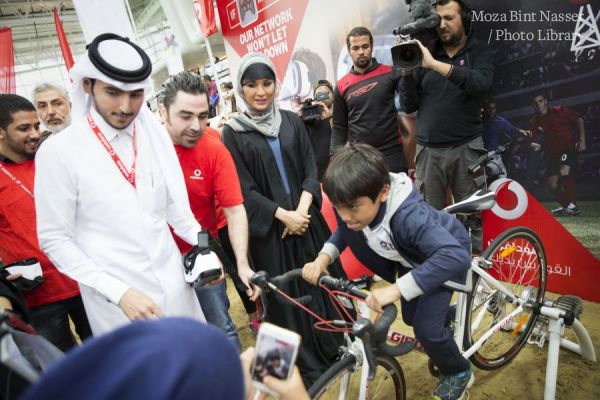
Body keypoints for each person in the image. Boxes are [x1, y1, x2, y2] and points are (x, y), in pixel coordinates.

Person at [34, 33, 206, 335]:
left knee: (196, 373)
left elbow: (175, 209)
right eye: (113, 92)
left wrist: (204, 248)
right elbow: (55, 239)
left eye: (136, 94)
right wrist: (119, 292)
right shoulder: (59, 152)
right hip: (118, 306)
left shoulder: (152, 136)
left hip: (178, 292)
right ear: (88, 85)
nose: (126, 106)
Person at [303, 144, 473, 400]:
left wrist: (394, 289)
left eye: (352, 207)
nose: (346, 216)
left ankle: (459, 371)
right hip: (410, 258)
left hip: (443, 256)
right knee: (412, 317)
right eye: (339, 207)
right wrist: (322, 258)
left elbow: (454, 257)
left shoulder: (408, 216)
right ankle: (445, 318)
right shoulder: (353, 204)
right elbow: (344, 231)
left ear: (383, 192)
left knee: (426, 330)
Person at [222, 52, 348, 385]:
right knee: (281, 302)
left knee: (324, 287)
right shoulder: (233, 133)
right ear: (241, 89)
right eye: (252, 85)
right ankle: (285, 377)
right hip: (271, 235)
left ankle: (338, 350)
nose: (261, 91)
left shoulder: (291, 121)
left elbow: (310, 168)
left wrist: (302, 212)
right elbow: (243, 190)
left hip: (307, 224)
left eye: (266, 83)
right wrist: (283, 217)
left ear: (276, 85)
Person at [159, 71, 261, 349]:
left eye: (203, 116)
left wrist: (241, 262)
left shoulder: (214, 149)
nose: (196, 125)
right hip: (158, 260)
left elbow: (234, 209)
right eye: (185, 116)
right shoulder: (145, 150)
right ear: (162, 112)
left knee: (221, 328)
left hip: (202, 253)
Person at [398, 0, 494, 254]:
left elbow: (481, 83)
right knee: (429, 220)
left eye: (449, 17)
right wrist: (408, 68)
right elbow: (408, 105)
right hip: (429, 154)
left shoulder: (479, 52)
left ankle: (474, 285)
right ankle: (438, 279)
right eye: (438, 19)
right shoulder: (425, 53)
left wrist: (435, 65)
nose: (443, 25)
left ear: (465, 19)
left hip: (468, 149)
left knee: (471, 219)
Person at [0, 94, 92, 351]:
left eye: (36, 126)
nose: (34, 133)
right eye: (23, 128)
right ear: (1, 133)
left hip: (86, 280)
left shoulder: (54, 159)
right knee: (61, 369)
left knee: (110, 358)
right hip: (40, 298)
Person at [331, 26, 407, 173]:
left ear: (371, 47)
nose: (361, 52)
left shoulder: (390, 72)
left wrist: (406, 71)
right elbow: (339, 128)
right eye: (355, 48)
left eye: (365, 46)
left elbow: (410, 103)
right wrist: (335, 161)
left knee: (398, 196)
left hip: (393, 154)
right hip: (362, 159)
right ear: (349, 51)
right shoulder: (341, 86)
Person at [528, 92, 586, 216]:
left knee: (563, 171)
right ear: (532, 105)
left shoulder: (559, 111)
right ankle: (567, 206)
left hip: (568, 147)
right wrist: (535, 145)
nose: (538, 105)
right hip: (552, 154)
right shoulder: (534, 121)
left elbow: (579, 120)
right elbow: (535, 140)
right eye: (535, 103)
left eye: (540, 101)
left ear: (545, 101)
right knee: (552, 186)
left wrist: (582, 141)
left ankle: (573, 206)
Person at [481, 98, 530, 181]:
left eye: (493, 108)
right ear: (485, 109)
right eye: (489, 108)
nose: (491, 111)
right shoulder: (479, 123)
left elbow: (513, 129)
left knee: (503, 178)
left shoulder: (500, 121)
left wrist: (522, 132)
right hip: (481, 157)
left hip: (495, 156)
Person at [303, 79, 334, 181]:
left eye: (326, 93)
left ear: (333, 95)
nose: (323, 97)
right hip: (318, 175)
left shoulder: (342, 115)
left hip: (339, 170)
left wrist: (332, 117)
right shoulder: (310, 119)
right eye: (319, 94)